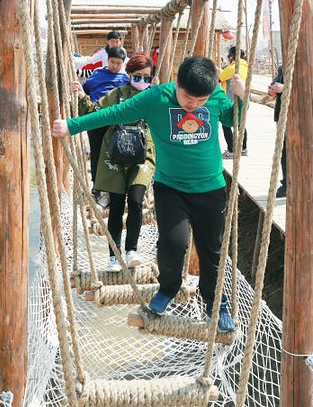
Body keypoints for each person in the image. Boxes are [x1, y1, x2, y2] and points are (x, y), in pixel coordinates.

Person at [53, 56, 245, 333]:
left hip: (210, 189)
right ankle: (168, 289)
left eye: (200, 100)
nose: (193, 105)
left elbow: (234, 117)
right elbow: (115, 113)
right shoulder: (157, 97)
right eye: (187, 97)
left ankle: (216, 302)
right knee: (172, 243)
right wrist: (72, 126)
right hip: (171, 188)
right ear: (176, 82)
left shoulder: (214, 96)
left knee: (211, 252)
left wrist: (242, 96)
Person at [73, 54, 157, 272]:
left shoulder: (154, 97)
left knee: (137, 201)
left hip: (143, 156)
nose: (143, 81)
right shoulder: (116, 95)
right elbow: (95, 115)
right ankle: (113, 256)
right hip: (115, 156)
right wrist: (82, 96)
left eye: (147, 78)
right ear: (129, 75)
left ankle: (131, 250)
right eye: (138, 76)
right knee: (117, 206)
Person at [75, 47, 130, 194]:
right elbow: (85, 89)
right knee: (97, 151)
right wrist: (78, 89)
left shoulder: (125, 79)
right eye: (113, 62)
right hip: (96, 117)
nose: (115, 66)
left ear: (123, 63)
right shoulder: (97, 74)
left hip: (115, 121)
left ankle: (115, 186)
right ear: (107, 60)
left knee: (115, 152)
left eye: (119, 63)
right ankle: (97, 186)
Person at [219, 46, 249, 158]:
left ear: (232, 57)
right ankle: (244, 148)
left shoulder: (233, 67)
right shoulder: (246, 66)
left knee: (226, 124)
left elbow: (221, 77)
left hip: (231, 100)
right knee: (241, 124)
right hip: (244, 99)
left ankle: (231, 151)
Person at [267, 65, 288, 198]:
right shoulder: (283, 68)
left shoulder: (308, 66)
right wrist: (272, 89)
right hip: (282, 116)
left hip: (300, 119)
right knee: (284, 151)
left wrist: (284, 88)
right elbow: (274, 84)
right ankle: (286, 183)